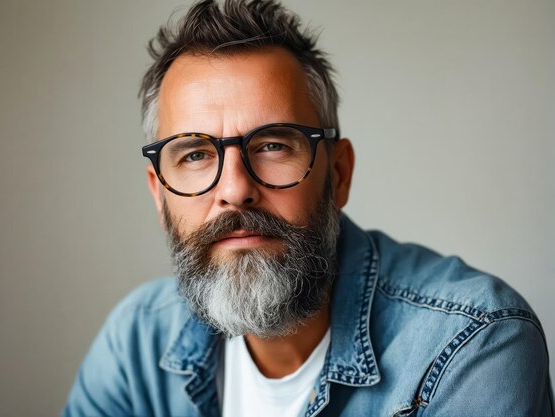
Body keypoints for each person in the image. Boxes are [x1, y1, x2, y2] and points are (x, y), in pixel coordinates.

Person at [63, 1, 554, 416]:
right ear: (159, 192)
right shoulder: (134, 344)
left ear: (338, 174)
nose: (235, 189)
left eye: (273, 145)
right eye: (194, 154)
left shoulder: (474, 344)